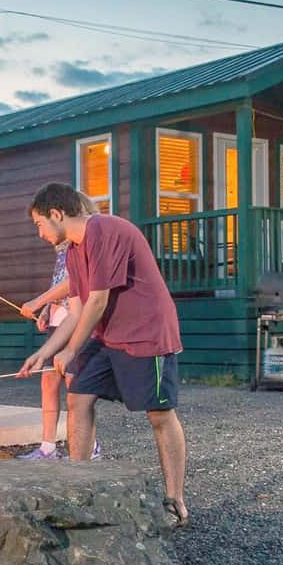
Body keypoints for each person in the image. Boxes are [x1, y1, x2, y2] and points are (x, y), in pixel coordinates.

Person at [18, 182, 189, 528]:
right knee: (78, 397)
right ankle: (80, 489)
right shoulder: (73, 252)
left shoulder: (103, 229)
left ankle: (176, 500)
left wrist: (70, 350)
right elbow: (76, 311)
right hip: (108, 336)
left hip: (146, 333)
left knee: (159, 414)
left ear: (56, 214)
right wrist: (44, 352)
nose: (39, 233)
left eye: (39, 224)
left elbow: (97, 301)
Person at [17, 192, 100, 460]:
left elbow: (72, 284)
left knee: (76, 387)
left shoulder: (82, 244)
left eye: (40, 224)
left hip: (76, 321)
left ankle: (90, 446)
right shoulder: (63, 248)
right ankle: (48, 447)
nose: (41, 233)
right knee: (49, 381)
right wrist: (46, 309)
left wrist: (38, 300)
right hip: (58, 318)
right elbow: (59, 283)